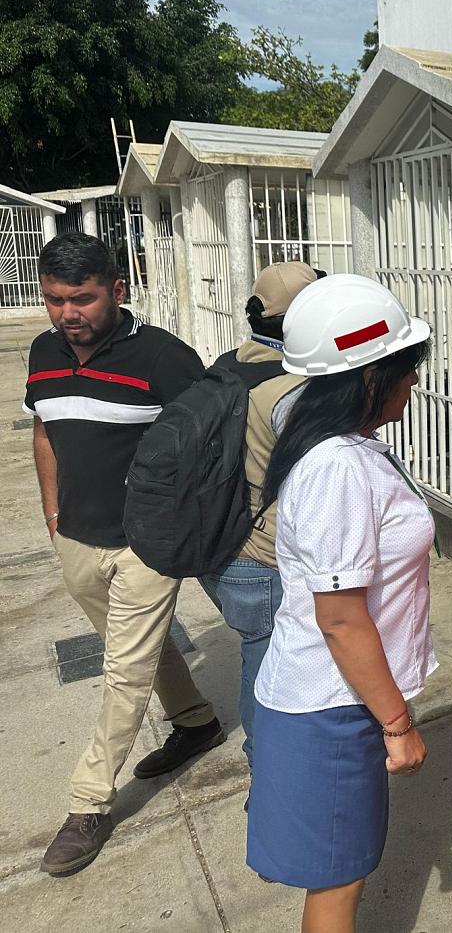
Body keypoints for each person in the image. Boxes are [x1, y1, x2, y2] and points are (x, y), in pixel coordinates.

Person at [25, 233, 223, 876]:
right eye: (54, 300)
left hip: (148, 544)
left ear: (118, 290)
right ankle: (195, 722)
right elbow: (46, 431)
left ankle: (88, 805)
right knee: (133, 650)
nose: (66, 314)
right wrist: (54, 514)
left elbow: (211, 443)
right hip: (76, 537)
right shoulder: (41, 351)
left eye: (81, 299)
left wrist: (184, 526)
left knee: (123, 673)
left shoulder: (164, 359)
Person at [246, 273, 435, 933]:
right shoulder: (337, 469)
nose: (413, 381)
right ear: (365, 377)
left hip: (335, 700)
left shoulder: (334, 442)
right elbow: (341, 616)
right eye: (404, 369)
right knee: (336, 886)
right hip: (333, 708)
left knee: (339, 872)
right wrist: (397, 724)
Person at [198, 261, 320, 772]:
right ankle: (267, 769)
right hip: (262, 555)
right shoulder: (291, 390)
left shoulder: (227, 365)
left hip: (216, 541)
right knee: (268, 664)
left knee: (257, 651)